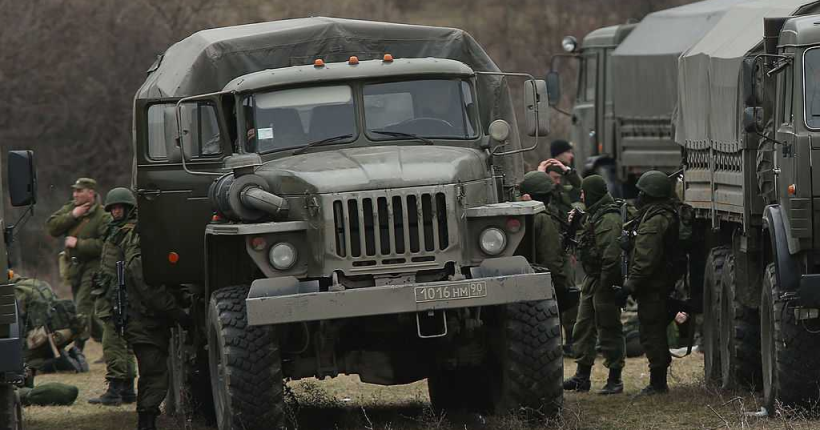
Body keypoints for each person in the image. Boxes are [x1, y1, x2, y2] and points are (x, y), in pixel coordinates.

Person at [118, 188, 191, 430]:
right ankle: (146, 421)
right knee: (155, 375)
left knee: (154, 373)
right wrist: (179, 313)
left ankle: (146, 419)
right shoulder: (139, 257)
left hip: (149, 324)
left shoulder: (145, 251)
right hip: (143, 325)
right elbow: (152, 293)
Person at [616, 170, 680, 395]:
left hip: (655, 286)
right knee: (653, 330)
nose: (638, 197)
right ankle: (658, 380)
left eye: (642, 192)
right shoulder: (661, 214)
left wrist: (629, 285)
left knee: (652, 332)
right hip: (660, 284)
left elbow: (645, 258)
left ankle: (658, 382)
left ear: (650, 194)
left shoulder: (655, 221)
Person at [562, 175, 626, 394]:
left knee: (609, 329)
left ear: (592, 194)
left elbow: (612, 257)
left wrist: (607, 288)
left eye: (583, 193)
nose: (581, 196)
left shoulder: (608, 219)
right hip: (593, 279)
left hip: (605, 280)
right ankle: (582, 377)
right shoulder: (594, 214)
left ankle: (615, 379)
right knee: (583, 327)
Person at [46, 178, 110, 350]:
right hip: (74, 268)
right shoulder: (71, 208)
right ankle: (110, 344)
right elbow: (52, 227)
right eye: (74, 191)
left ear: (91, 193)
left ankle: (78, 350)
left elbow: (106, 246)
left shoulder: (103, 216)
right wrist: (73, 215)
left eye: (79, 191)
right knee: (89, 313)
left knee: (82, 308)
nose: (75, 194)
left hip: (93, 267)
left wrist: (79, 244)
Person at [87, 188, 138, 406]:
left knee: (113, 341)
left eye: (121, 208)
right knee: (122, 341)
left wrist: (121, 291)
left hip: (120, 294)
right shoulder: (114, 230)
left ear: (128, 208)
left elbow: (131, 265)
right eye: (114, 208)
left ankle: (116, 388)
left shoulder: (129, 232)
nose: (117, 211)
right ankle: (127, 389)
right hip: (109, 292)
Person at [518, 171, 570, 321]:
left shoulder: (516, 215)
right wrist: (561, 288)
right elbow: (551, 259)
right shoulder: (542, 218)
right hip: (541, 292)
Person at [14, 274, 88, 374]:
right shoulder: (36, 283)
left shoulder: (16, 291)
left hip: (43, 338)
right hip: (61, 332)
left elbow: (16, 324)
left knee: (21, 364)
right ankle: (70, 356)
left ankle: (58, 364)